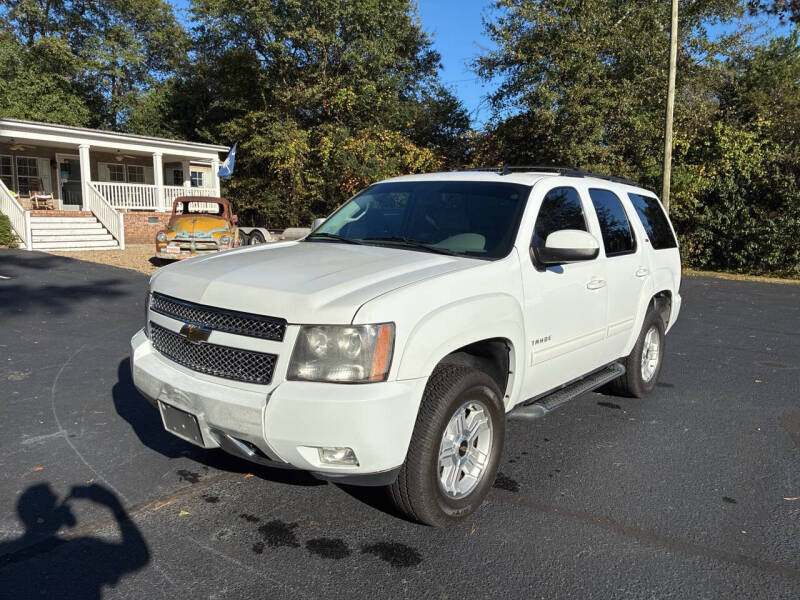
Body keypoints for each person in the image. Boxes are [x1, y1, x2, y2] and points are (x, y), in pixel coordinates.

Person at [0, 483, 149, 599]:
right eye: (56, 502)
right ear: (41, 515)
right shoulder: (82, 548)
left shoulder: (6, 552)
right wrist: (112, 503)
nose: (66, 505)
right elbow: (138, 556)